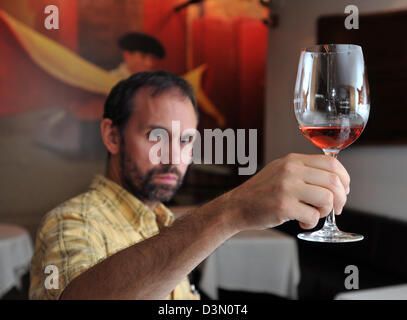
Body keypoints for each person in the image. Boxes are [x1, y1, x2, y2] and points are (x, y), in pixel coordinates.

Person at [29, 70, 350, 300]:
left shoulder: (164, 224)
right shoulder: (70, 221)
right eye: (156, 137)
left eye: (185, 140)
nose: (173, 156)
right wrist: (232, 210)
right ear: (113, 136)